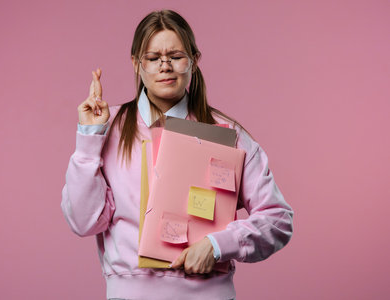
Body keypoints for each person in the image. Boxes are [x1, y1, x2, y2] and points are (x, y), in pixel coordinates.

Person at [61, 9, 293, 300]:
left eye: (176, 56)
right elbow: (84, 222)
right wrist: (88, 138)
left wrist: (217, 245)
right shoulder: (108, 130)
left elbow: (278, 219)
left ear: (194, 61)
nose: (165, 66)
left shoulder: (227, 135)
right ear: (137, 64)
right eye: (153, 58)